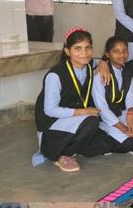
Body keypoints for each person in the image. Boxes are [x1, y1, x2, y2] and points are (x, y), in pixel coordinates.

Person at [34, 27, 112, 172]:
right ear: (67, 51)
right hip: (52, 122)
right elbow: (50, 110)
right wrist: (83, 111)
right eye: (78, 48)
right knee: (91, 121)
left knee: (107, 144)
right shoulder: (55, 75)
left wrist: (103, 63)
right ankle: (60, 154)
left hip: (75, 119)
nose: (84, 53)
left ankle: (76, 145)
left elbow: (98, 61)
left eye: (88, 48)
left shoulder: (88, 65)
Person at [91, 36, 133, 157]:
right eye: (116, 51)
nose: (122, 54)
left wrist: (131, 114)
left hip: (120, 112)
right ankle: (128, 139)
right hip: (105, 119)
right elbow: (101, 107)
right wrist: (122, 128)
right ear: (107, 54)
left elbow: (130, 96)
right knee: (129, 144)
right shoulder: (100, 74)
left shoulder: (127, 72)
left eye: (124, 50)